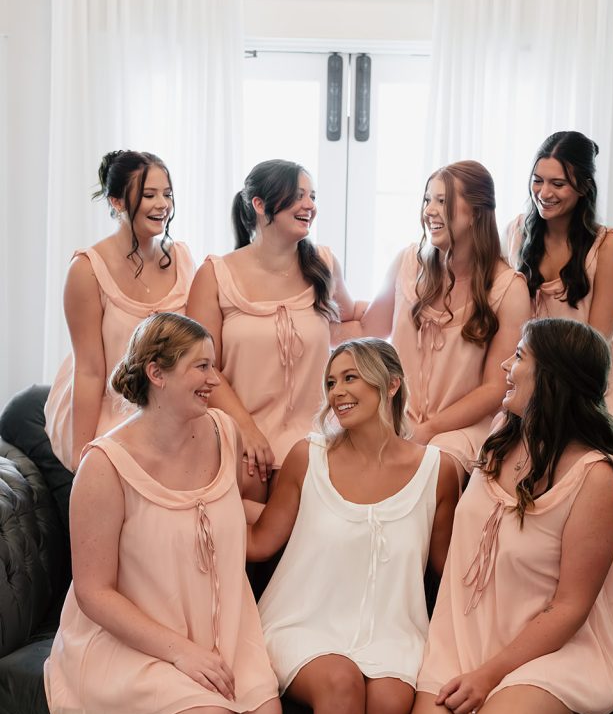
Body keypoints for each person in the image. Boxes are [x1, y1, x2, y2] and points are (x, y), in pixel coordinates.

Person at [44, 313, 281, 714]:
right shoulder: (104, 466)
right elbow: (93, 592)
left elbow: (233, 517)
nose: (215, 380)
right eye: (201, 367)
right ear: (157, 372)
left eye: (213, 366)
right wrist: (184, 653)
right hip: (129, 637)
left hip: (218, 625)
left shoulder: (223, 432)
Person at [408, 317, 613, 714]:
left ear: (552, 376)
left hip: (553, 651)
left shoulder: (594, 477)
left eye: (518, 356)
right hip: (466, 636)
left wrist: (489, 676)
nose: (504, 367)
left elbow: (569, 608)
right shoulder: (500, 435)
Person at [250, 339, 459, 714]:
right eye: (330, 382)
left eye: (351, 378)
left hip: (392, 634)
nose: (337, 392)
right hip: (303, 623)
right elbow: (260, 542)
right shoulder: (308, 457)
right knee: (340, 680)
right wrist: (199, 503)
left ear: (392, 384)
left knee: (389, 702)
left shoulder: (439, 471)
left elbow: (449, 569)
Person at [341, 161, 530, 489]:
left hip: (462, 428)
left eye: (442, 201)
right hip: (397, 414)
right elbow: (369, 327)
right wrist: (313, 319)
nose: (429, 210)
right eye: (427, 199)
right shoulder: (407, 262)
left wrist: (428, 430)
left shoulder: (509, 288)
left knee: (429, 474)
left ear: (474, 212)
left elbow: (496, 388)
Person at [186, 158, 356, 504]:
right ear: (260, 205)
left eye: (312, 196)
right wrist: (246, 430)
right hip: (240, 435)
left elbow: (355, 321)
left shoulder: (323, 264)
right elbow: (202, 367)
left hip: (315, 440)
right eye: (297, 196)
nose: (309, 205)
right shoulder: (214, 275)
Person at [508, 130, 613, 460]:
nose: (544, 193)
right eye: (538, 180)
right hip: (529, 384)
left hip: (587, 389)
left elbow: (595, 347)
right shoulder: (516, 232)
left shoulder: (605, 248)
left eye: (558, 184)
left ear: (584, 187)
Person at [45, 150, 195, 472]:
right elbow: (88, 371)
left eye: (167, 194)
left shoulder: (183, 259)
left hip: (171, 408)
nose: (162, 205)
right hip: (113, 410)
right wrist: (82, 454)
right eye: (149, 195)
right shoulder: (86, 270)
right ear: (116, 202)